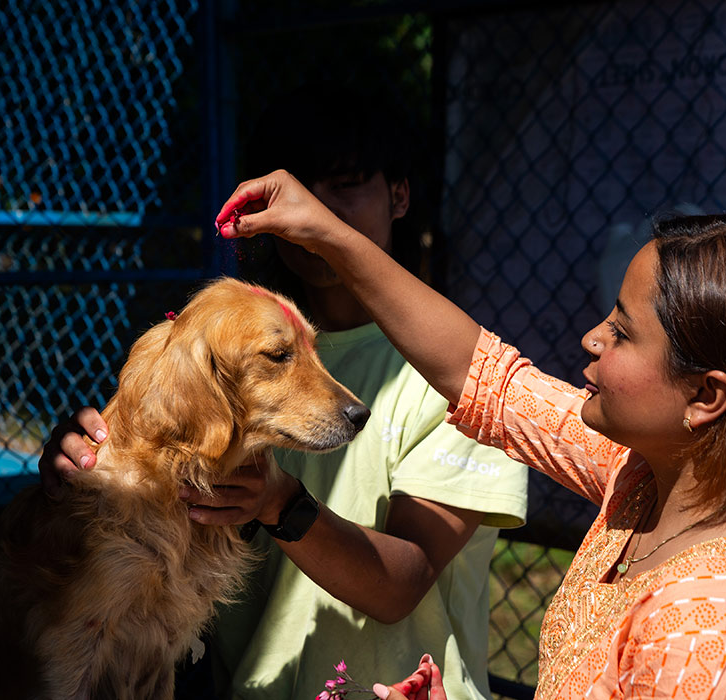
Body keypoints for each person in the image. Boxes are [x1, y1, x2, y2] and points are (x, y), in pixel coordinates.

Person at [215, 172, 726, 698]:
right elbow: (484, 375)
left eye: (622, 333)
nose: (592, 338)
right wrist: (326, 231)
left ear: (705, 397)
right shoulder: (657, 476)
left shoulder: (721, 639)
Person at [38, 83, 528, 700]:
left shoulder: (459, 375)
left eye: (345, 184)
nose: (315, 215)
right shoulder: (231, 345)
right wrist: (88, 460)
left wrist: (280, 503)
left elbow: (401, 583)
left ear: (400, 194)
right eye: (301, 191)